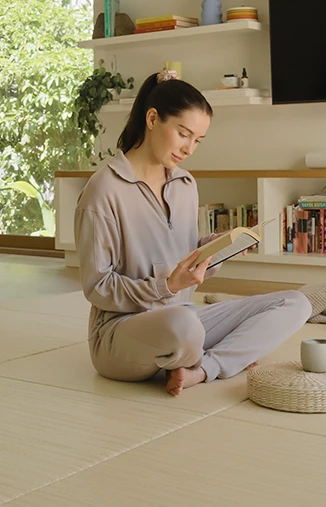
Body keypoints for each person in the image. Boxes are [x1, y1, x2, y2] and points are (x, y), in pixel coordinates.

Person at [74, 70, 311, 396]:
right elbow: (97, 287)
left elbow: (183, 256)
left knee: (296, 303)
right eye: (184, 134)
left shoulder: (185, 184)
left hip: (182, 315)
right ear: (153, 119)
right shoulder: (103, 191)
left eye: (198, 140)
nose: (189, 148)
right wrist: (167, 285)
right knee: (185, 329)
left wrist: (213, 249)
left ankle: (202, 368)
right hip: (120, 331)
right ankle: (223, 356)